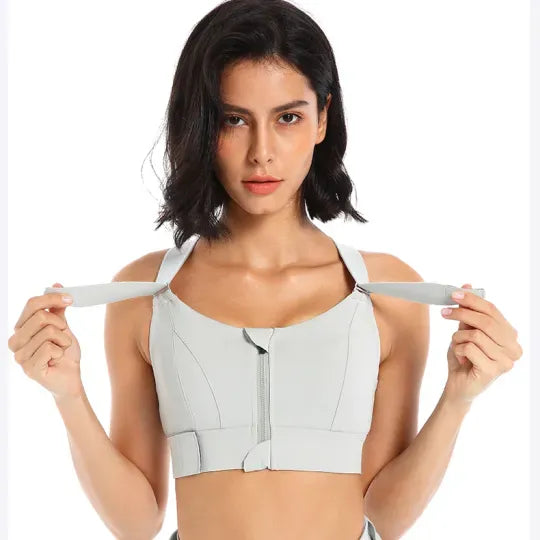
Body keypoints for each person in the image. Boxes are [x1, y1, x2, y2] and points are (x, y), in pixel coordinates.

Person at [8, 1, 522, 538]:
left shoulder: (387, 292)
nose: (262, 153)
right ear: (202, 124)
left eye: (288, 118)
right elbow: (136, 522)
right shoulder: (144, 292)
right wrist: (67, 393)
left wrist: (458, 398)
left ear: (322, 118)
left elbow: (386, 516)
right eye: (234, 119)